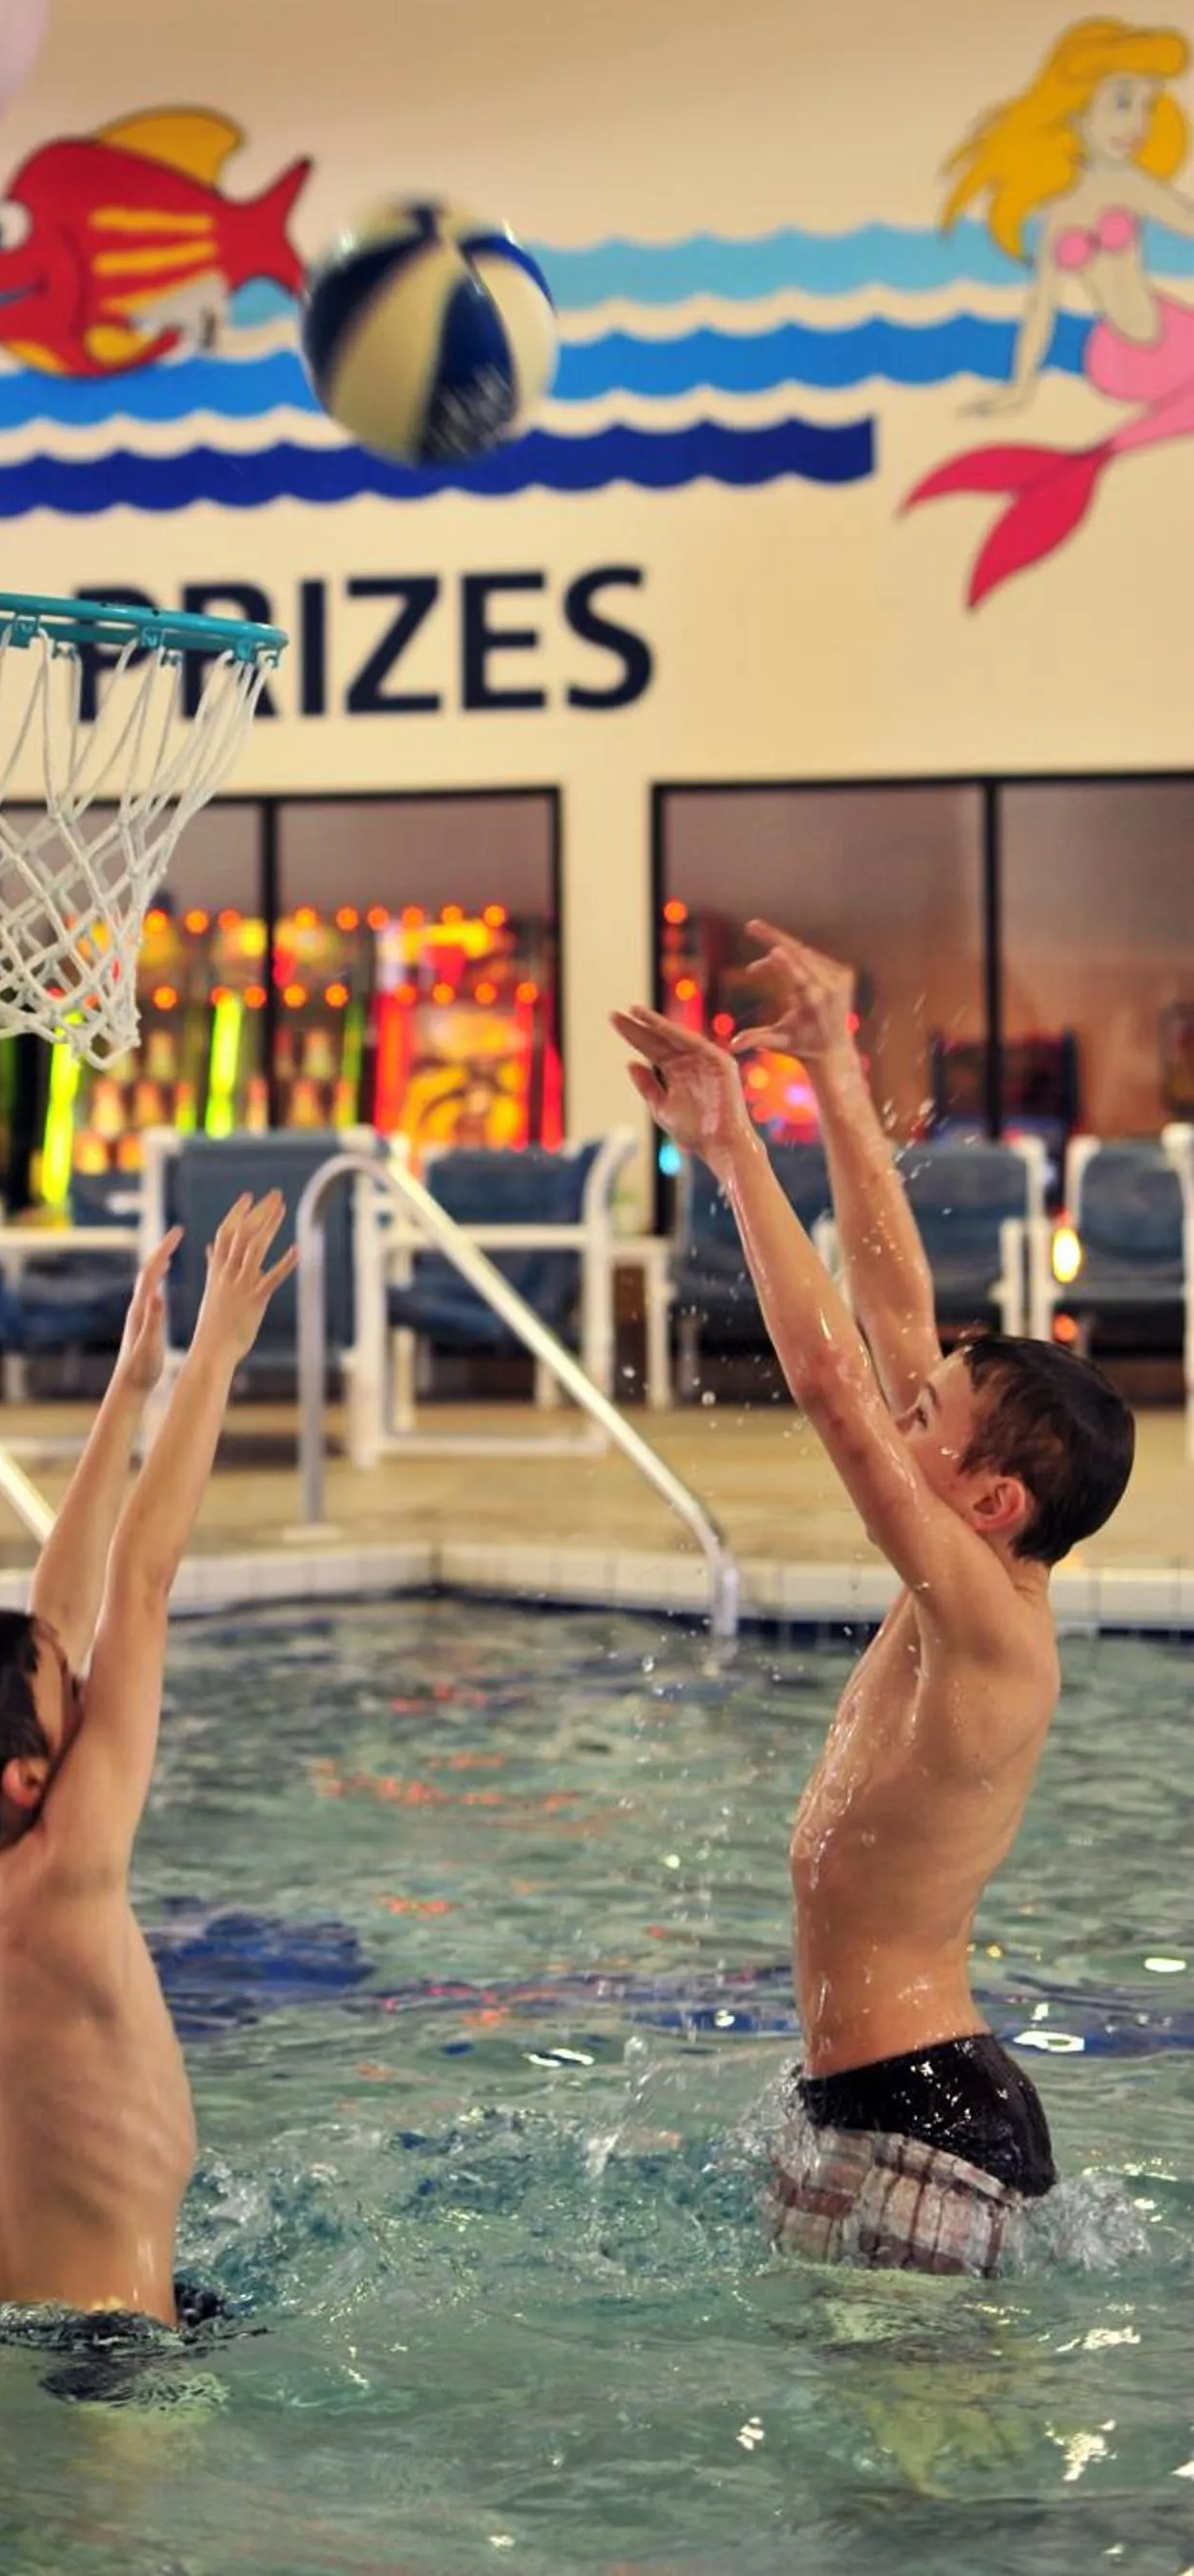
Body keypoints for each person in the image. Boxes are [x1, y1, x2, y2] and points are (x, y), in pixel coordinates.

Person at [613, 925, 1134, 2275]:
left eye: (932, 1419)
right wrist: (836, 1078)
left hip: (924, 2122)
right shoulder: (962, 1572)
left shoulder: (990, 1626)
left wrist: (733, 1151)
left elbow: (840, 1389)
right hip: (870, 2099)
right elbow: (890, 1300)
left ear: (991, 1498)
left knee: (917, 2486)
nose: (906, 1409)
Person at [0, 1193, 295, 2338]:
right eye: (68, 1695)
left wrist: (131, 1383)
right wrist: (216, 1356)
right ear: (24, 1774)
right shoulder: (67, 1870)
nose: (86, 1683)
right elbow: (139, 1584)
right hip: (107, 2346)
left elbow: (61, 1606)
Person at [907, 15, 1194, 604]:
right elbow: (1040, 306)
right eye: (1122, 103)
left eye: (1146, 105)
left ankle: (1097, 457)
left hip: (1175, 337)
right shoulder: (1061, 212)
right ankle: (1099, 457)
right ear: (1076, 108)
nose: (1137, 124)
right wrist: (1019, 387)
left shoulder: (1132, 185)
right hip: (1114, 360)